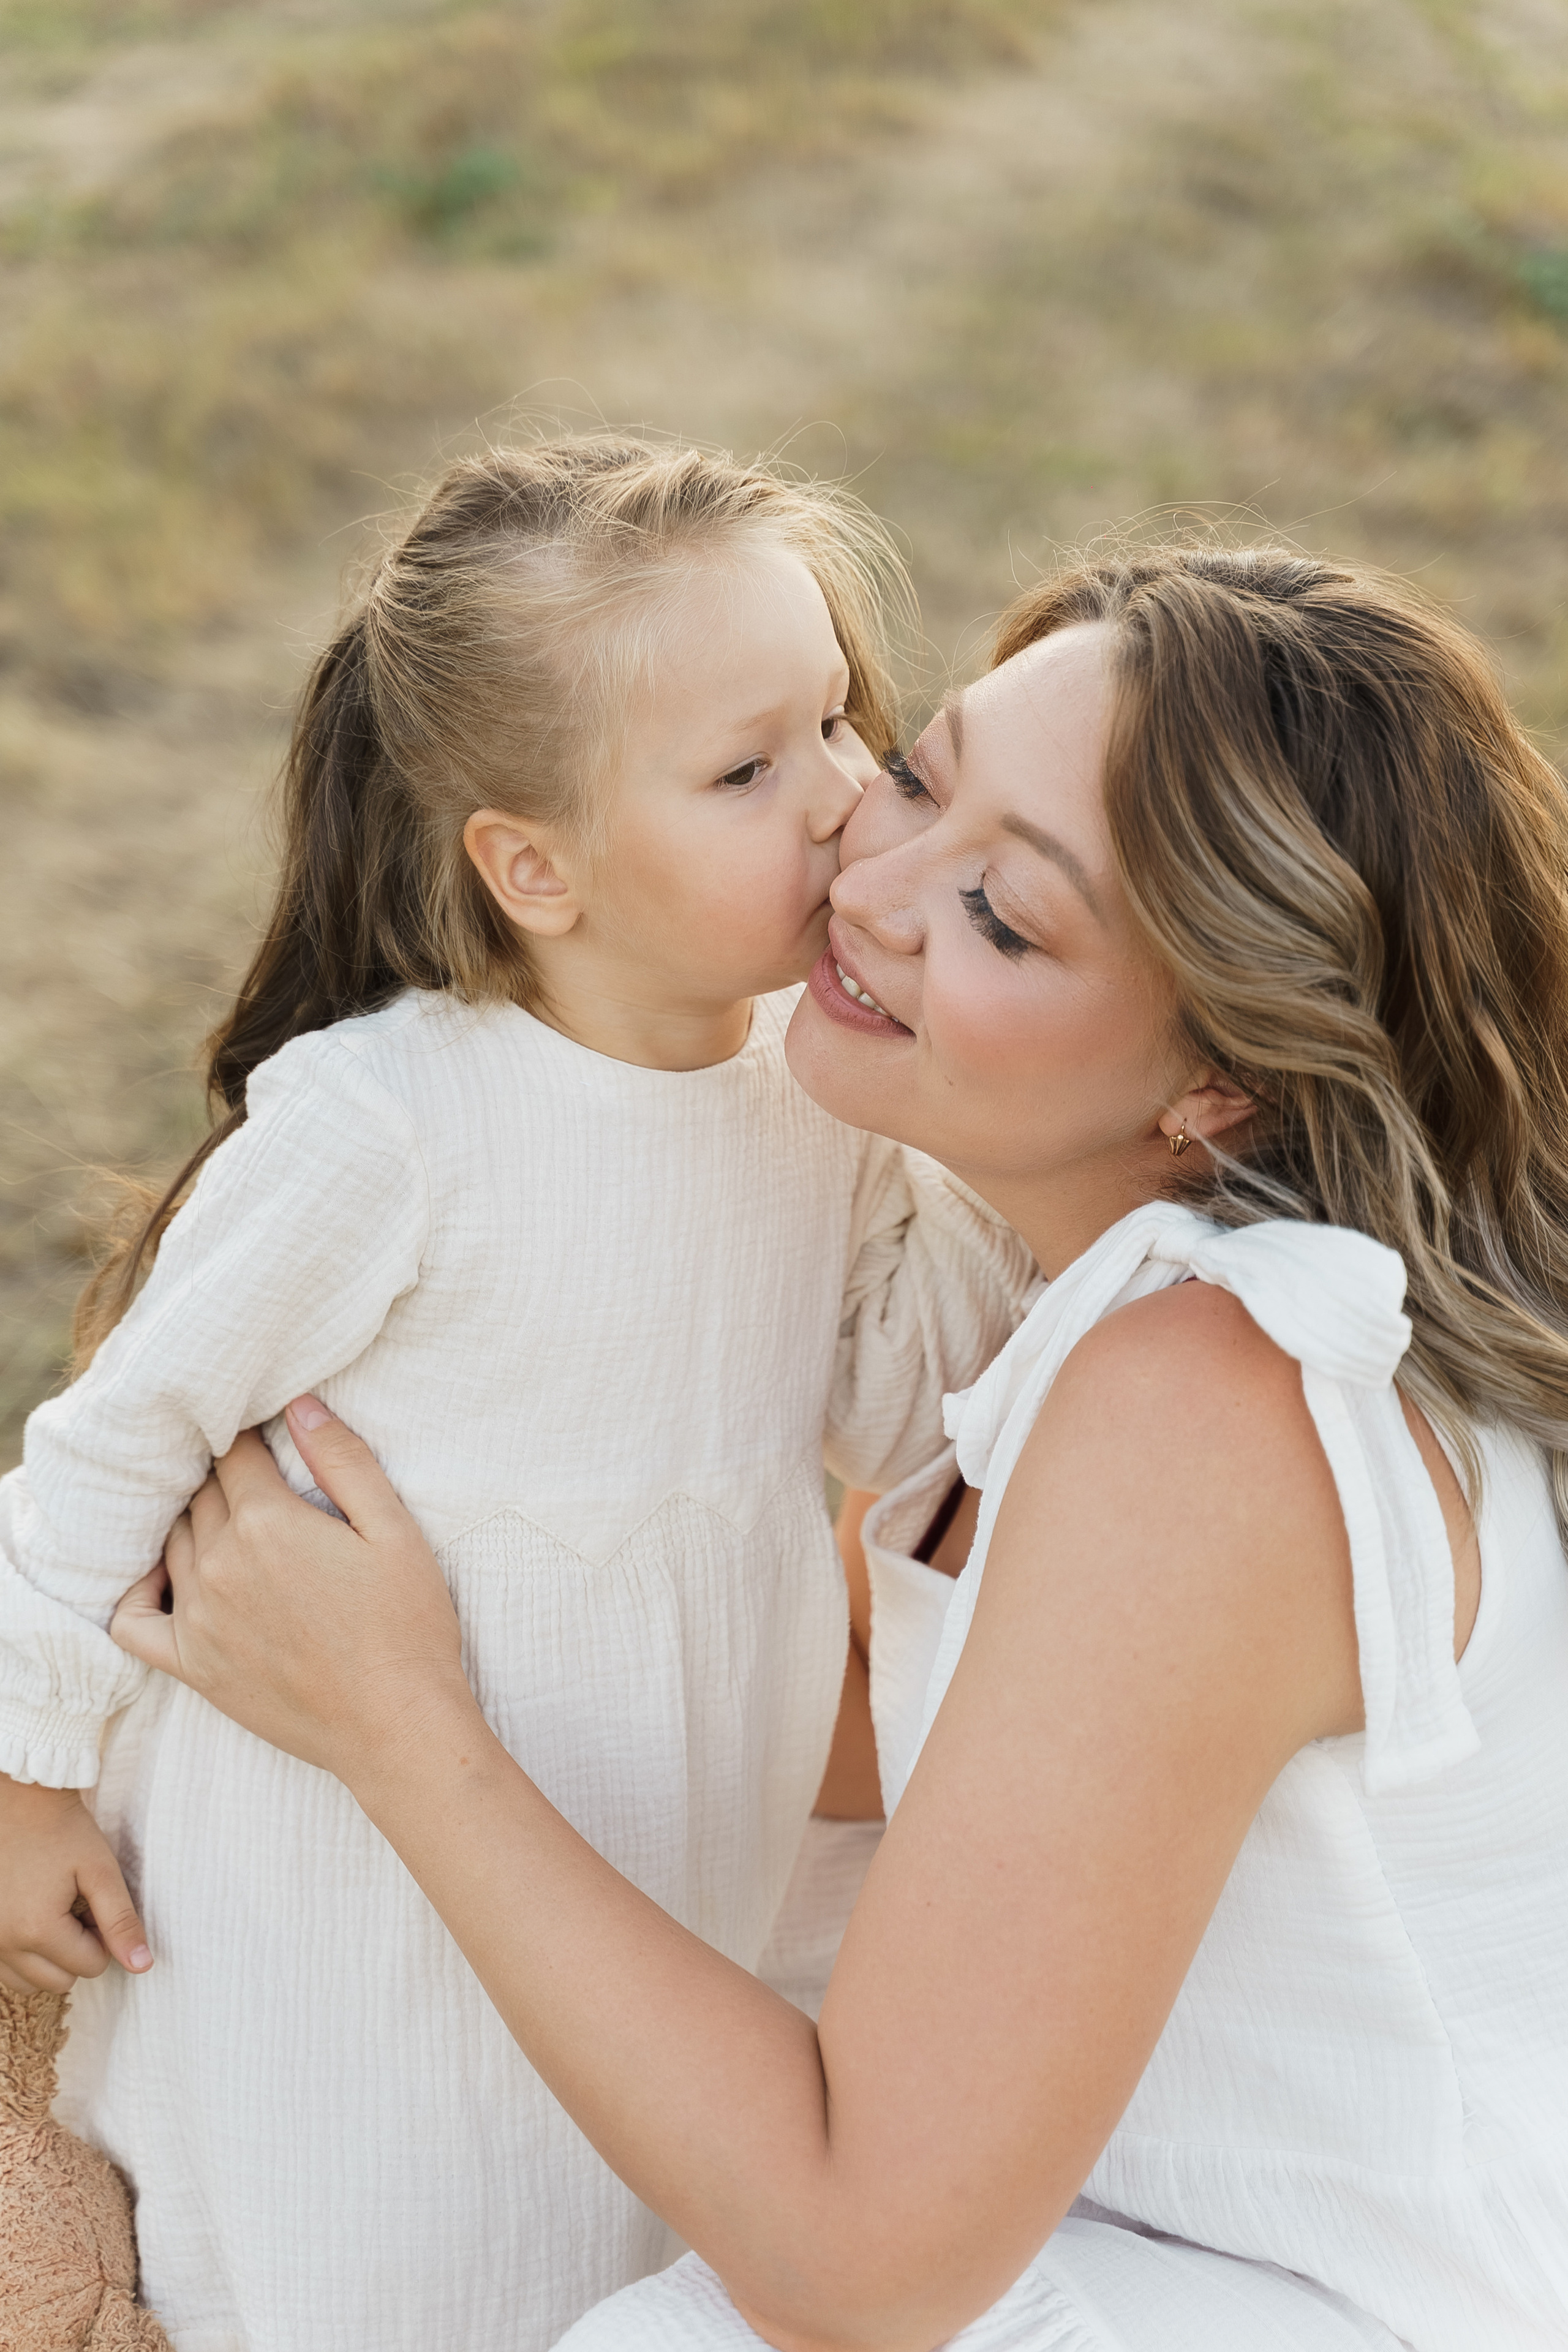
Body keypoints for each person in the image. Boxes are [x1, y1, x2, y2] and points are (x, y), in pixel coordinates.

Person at [113, 545, 1568, 2352]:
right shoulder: (1062, 1304)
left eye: (1008, 919)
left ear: (1225, 1085)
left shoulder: (1211, 1408)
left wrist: (397, 1724)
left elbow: (863, 2263)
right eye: (919, 777)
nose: (872, 891)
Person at [0, 437, 1035, 2351]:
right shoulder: (395, 1122)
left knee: (622, 2240)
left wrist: (977, 1124)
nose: (833, 802)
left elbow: (923, 1419)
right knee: (368, 2257)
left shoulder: (817, 1092)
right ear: (533, 867)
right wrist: (24, 1771)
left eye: (841, 723)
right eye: (745, 770)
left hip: (660, 1823)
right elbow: (115, 1443)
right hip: (337, 1869)